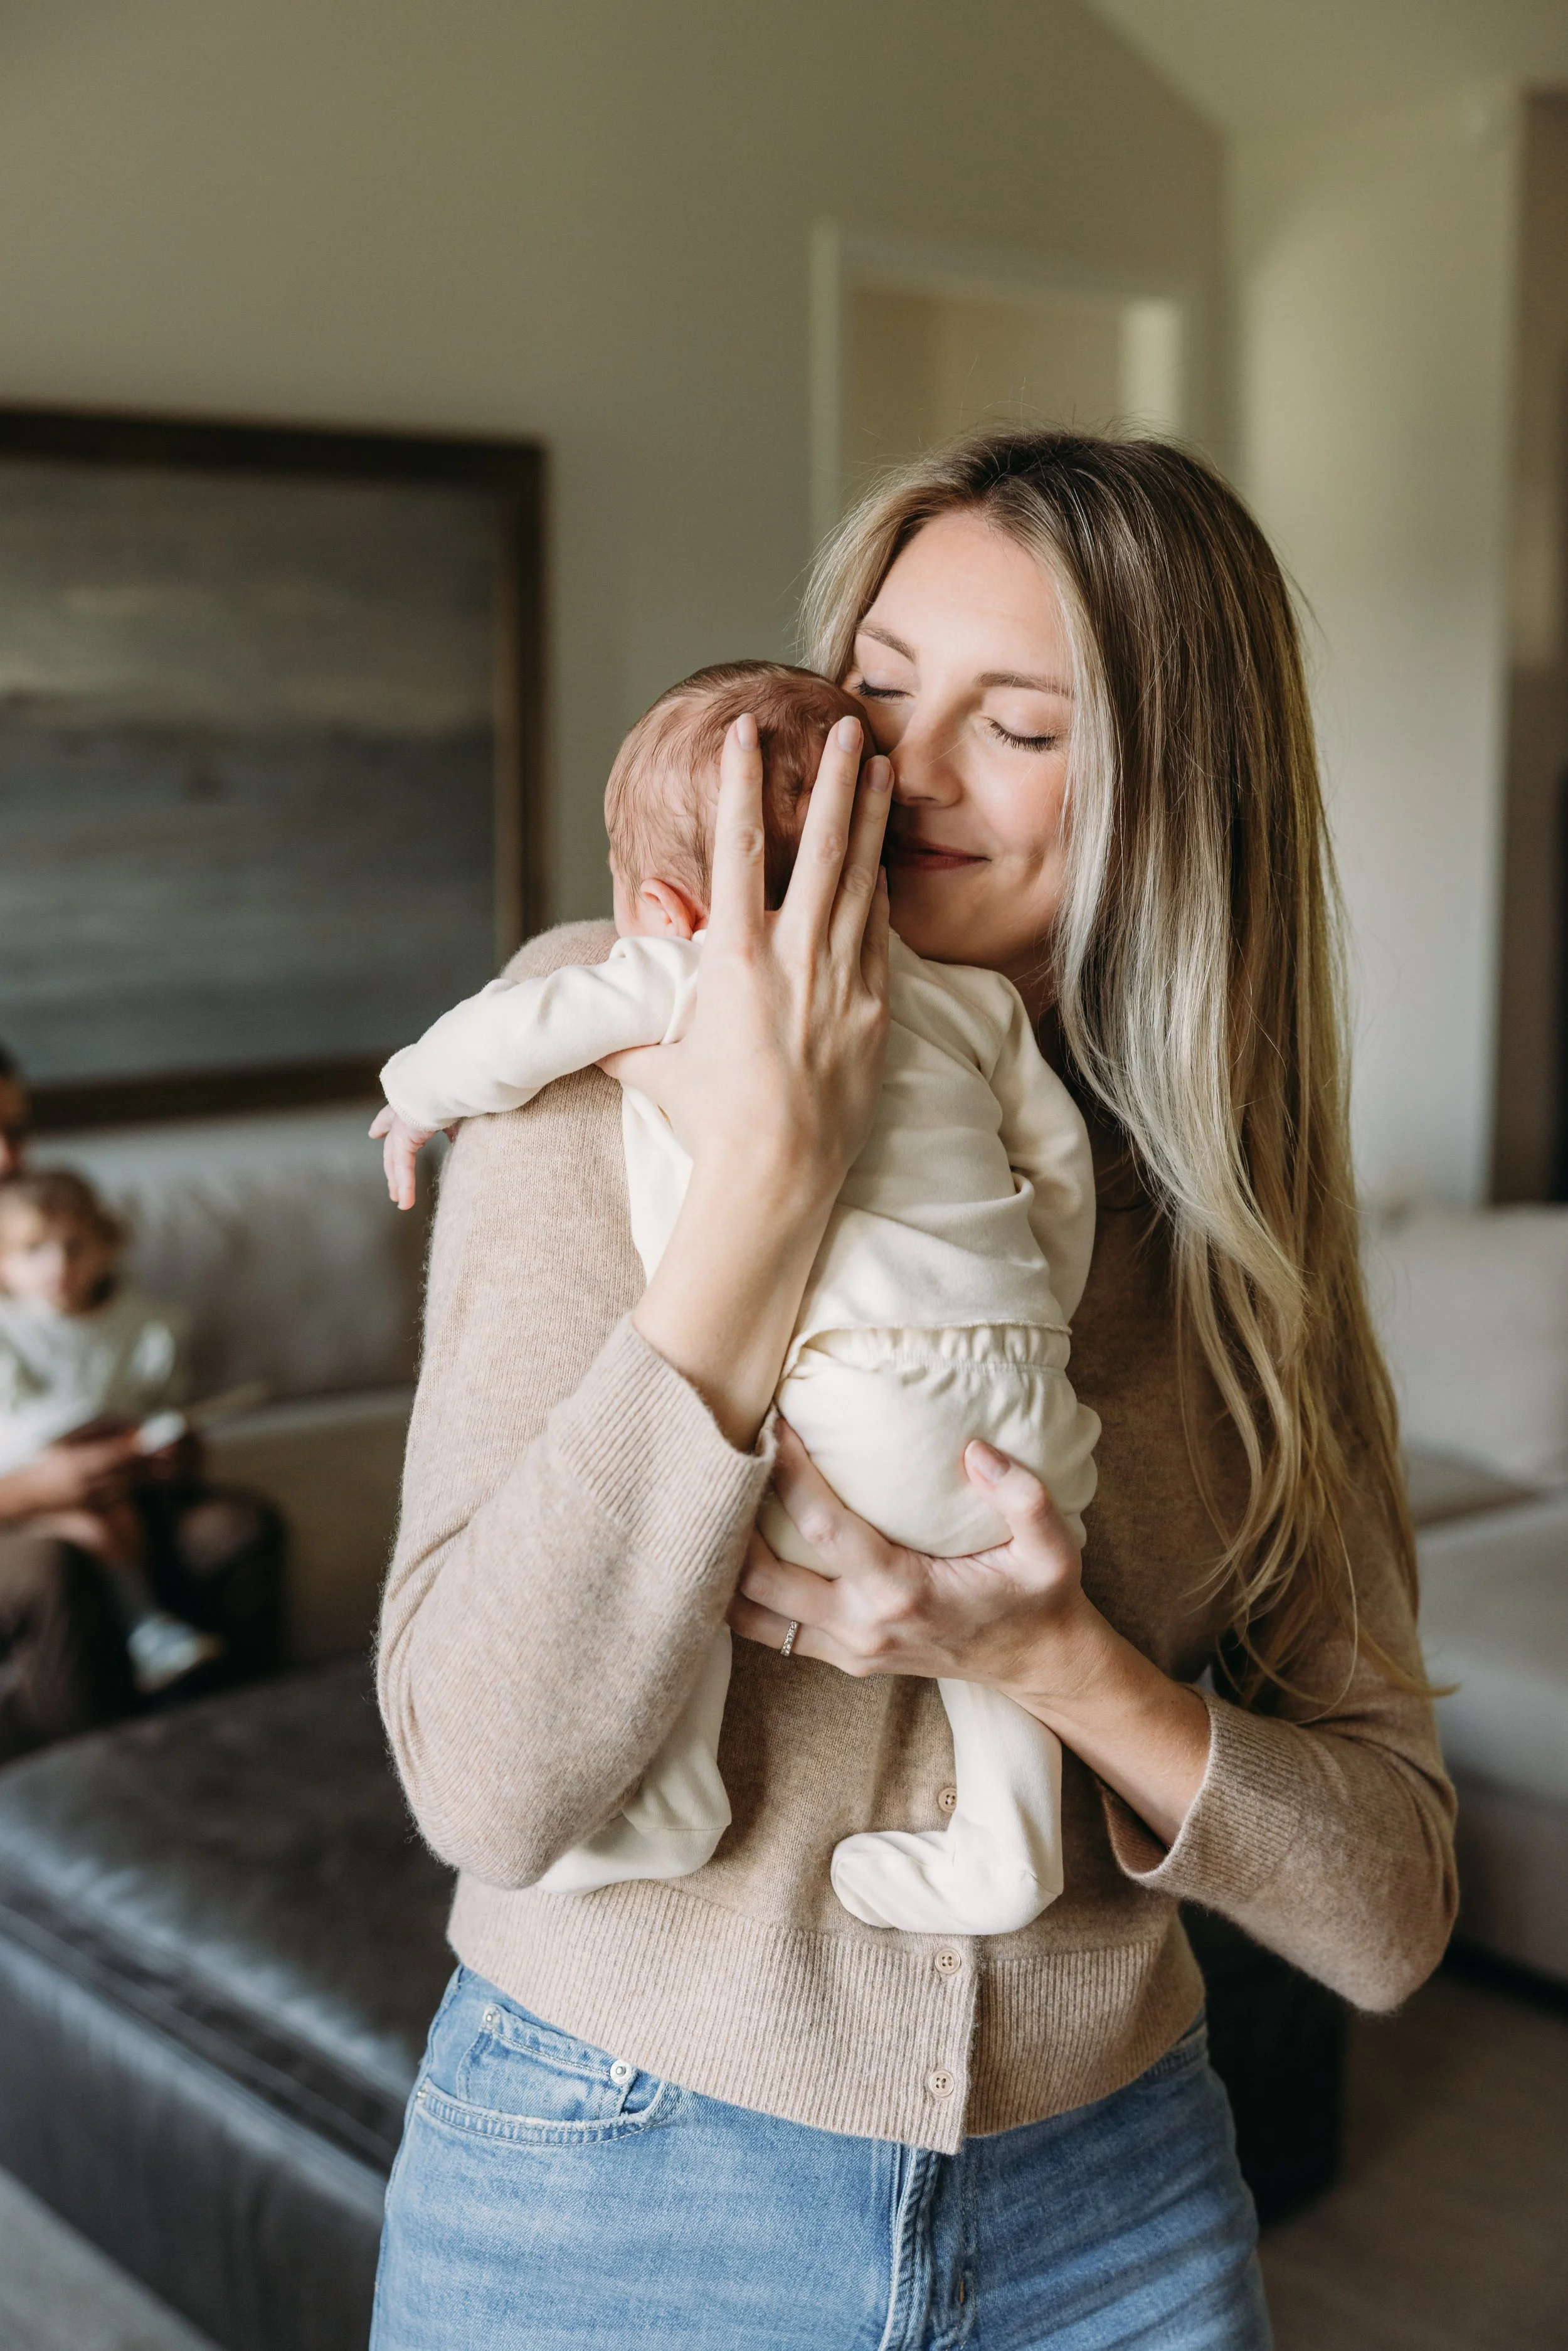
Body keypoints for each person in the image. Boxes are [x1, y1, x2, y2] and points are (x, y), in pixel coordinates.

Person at [373, 431, 1456, 2350]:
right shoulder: (599, 1037)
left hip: (1115, 2206)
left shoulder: (1226, 1210)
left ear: (1175, 793)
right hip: (617, 2169)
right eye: (875, 688)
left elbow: (1387, 1914)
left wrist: (1060, 1663)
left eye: (1016, 725)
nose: (902, 768)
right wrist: (760, 1191)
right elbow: (488, 1782)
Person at [373, 660, 1101, 1936]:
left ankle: (663, 1796)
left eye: (1021, 725)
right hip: (1019, 1397)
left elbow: (515, 1033)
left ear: (661, 904)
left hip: (849, 1402)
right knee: (996, 1594)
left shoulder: (685, 976)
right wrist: (1030, 1313)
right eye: (882, 689)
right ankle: (1009, 1837)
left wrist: (414, 1090)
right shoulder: (973, 1003)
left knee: (701, 1522)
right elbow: (1056, 1170)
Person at [0, 1167, 284, 1760]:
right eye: (33, 1251)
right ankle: (144, 1630)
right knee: (78, 1532)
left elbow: (165, 1404)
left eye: (74, 1246)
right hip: (34, 1480)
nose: (58, 1265)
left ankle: (244, 1742)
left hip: (125, 1475)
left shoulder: (145, 1324)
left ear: (106, 1245)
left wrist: (169, 1450)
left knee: (235, 1525)